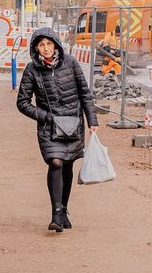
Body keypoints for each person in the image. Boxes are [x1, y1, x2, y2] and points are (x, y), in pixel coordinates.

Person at [16, 27, 98, 233]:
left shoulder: (70, 63)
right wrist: (45, 116)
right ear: (36, 48)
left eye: (49, 44)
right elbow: (22, 102)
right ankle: (55, 213)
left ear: (56, 45)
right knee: (56, 162)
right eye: (41, 45)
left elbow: (85, 93)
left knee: (68, 165)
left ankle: (64, 210)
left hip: (73, 125)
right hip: (49, 127)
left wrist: (92, 121)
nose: (46, 49)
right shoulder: (32, 70)